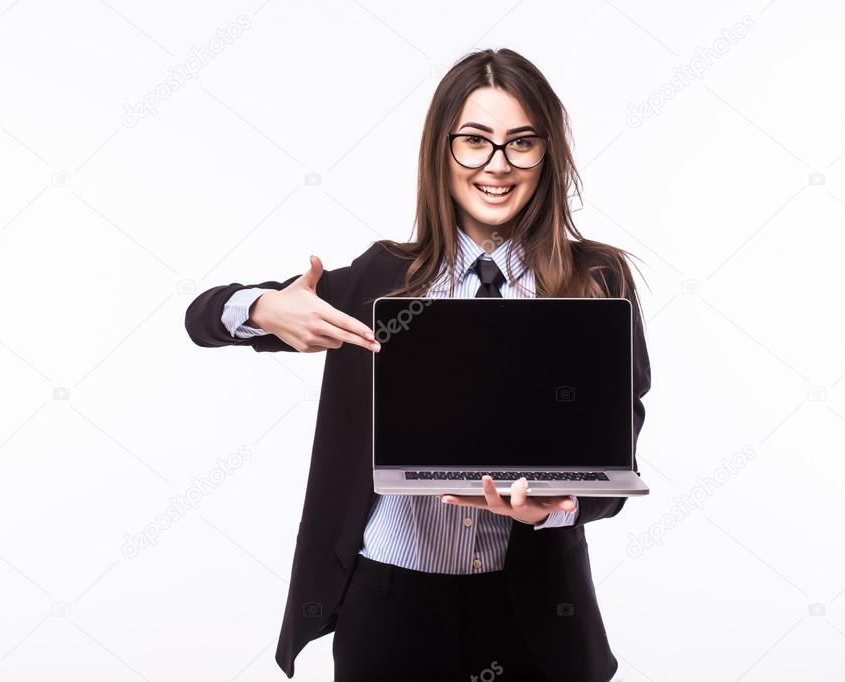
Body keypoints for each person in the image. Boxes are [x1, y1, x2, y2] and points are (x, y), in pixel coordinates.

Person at [185, 47, 652, 682]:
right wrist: (264, 307)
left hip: (536, 605)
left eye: (522, 143)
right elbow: (202, 317)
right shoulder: (383, 277)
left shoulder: (594, 278)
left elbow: (619, 440)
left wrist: (554, 506)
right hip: (390, 602)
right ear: (442, 151)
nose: (497, 165)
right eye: (475, 142)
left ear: (547, 156)